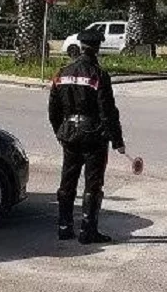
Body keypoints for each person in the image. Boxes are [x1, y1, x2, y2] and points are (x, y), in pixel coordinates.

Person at [48, 29, 126, 244]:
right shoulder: (98, 74)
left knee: (67, 180)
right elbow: (108, 111)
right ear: (98, 48)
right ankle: (88, 230)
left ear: (81, 46)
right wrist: (117, 140)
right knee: (93, 184)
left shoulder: (61, 72)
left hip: (70, 134)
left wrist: (60, 131)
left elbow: (53, 108)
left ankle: (64, 227)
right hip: (93, 136)